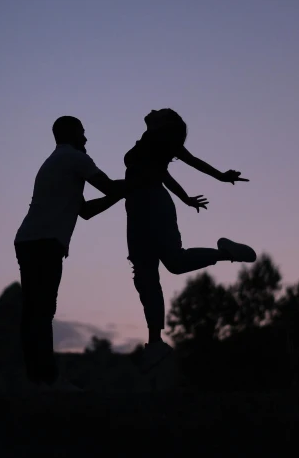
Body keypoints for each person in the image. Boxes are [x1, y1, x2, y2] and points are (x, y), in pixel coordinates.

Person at [125, 108, 256, 371]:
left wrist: (220, 176)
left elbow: (192, 161)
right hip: (137, 209)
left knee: (173, 263)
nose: (152, 111)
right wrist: (185, 198)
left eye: (159, 113)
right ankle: (154, 343)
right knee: (145, 274)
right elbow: (163, 174)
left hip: (153, 205)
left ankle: (225, 253)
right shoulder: (149, 144)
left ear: (163, 124)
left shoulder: (158, 140)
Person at [15, 116, 125, 389]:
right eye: (83, 133)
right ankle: (46, 379)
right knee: (41, 312)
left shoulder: (57, 162)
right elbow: (109, 187)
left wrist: (121, 193)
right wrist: (133, 184)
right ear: (73, 134)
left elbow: (85, 211)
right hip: (45, 242)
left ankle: (37, 378)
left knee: (34, 312)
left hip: (30, 240)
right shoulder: (76, 159)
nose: (86, 139)